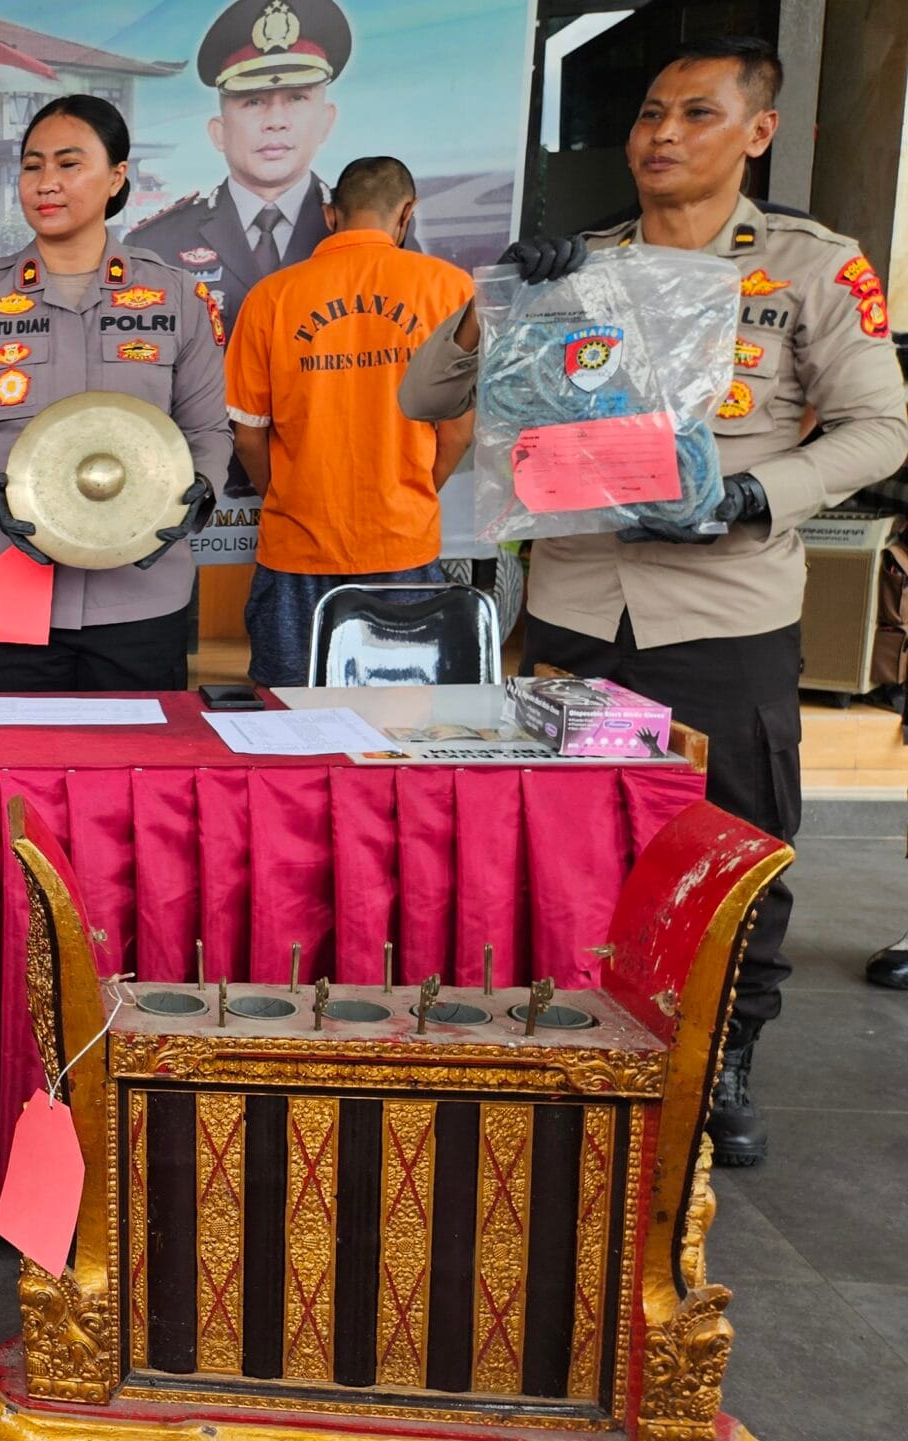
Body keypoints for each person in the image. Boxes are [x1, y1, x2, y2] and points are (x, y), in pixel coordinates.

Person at [402, 37, 908, 1167]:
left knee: (735, 845)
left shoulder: (809, 268)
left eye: (694, 114)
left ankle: (723, 1051)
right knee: (576, 845)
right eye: (647, 115)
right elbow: (421, 390)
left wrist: (745, 492)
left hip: (723, 615)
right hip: (581, 611)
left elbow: (882, 426)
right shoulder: (579, 264)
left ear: (757, 133)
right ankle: (583, 1036)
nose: (662, 136)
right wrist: (497, 300)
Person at [0, 96, 230, 692]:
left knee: (136, 771)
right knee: (17, 767)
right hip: (13, 583)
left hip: (141, 591)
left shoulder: (177, 300)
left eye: (68, 164)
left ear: (117, 177)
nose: (46, 184)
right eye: (32, 167)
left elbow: (208, 431)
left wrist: (201, 488)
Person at [224, 155, 474, 686]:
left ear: (330, 215)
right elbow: (458, 430)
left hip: (297, 546)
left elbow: (248, 437)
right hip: (401, 542)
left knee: (285, 717)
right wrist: (409, 493)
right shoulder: (451, 290)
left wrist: (287, 494)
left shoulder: (271, 297)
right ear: (407, 213)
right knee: (400, 720)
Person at [130, 0, 362, 338]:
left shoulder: (368, 229)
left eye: (296, 98)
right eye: (254, 101)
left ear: (327, 121)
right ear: (218, 131)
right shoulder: (156, 245)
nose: (276, 122)